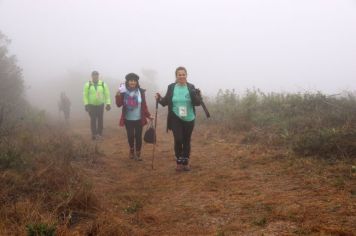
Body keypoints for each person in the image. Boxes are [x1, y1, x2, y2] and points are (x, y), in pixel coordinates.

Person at [155, 66, 202, 171]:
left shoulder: (191, 87)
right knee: (178, 139)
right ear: (176, 76)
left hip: (189, 118)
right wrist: (159, 98)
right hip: (175, 117)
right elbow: (165, 102)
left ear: (186, 75)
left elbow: (197, 103)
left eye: (183, 74)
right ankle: (179, 160)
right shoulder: (171, 87)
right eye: (179, 74)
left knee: (186, 139)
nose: (181, 76)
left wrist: (199, 96)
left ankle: (185, 160)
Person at [116, 73, 153, 160]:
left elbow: (144, 105)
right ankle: (132, 149)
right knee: (130, 136)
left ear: (136, 82)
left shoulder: (141, 92)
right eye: (130, 81)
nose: (132, 82)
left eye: (134, 81)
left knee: (138, 136)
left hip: (139, 118)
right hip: (128, 119)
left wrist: (148, 115)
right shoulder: (123, 92)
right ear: (127, 82)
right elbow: (119, 104)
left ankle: (138, 153)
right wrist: (118, 95)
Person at [83, 71, 111, 140]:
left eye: (96, 75)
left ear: (98, 76)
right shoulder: (88, 85)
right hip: (91, 105)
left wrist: (108, 103)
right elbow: (85, 95)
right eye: (94, 75)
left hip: (100, 105)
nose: (95, 76)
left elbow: (107, 94)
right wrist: (86, 104)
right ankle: (94, 134)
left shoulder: (103, 84)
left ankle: (99, 133)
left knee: (100, 119)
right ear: (91, 76)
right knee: (93, 119)